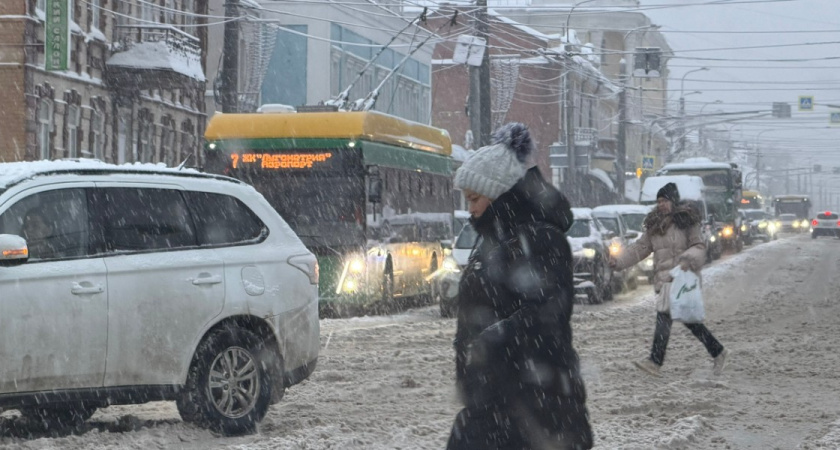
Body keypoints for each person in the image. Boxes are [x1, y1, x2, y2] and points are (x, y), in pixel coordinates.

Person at [447, 123, 593, 450]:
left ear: (497, 193)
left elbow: (547, 315)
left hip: (536, 403)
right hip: (494, 403)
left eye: (474, 198)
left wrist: (490, 339)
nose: (469, 208)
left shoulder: (541, 239)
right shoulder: (491, 243)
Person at [609, 183, 729, 377]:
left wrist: (686, 260)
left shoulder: (687, 221)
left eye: (664, 201)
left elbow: (699, 247)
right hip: (665, 280)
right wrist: (619, 262)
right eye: (659, 201)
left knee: (666, 318)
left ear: (673, 201)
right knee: (686, 321)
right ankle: (717, 351)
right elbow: (639, 248)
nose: (661, 205)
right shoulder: (655, 226)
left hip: (682, 278)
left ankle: (656, 362)